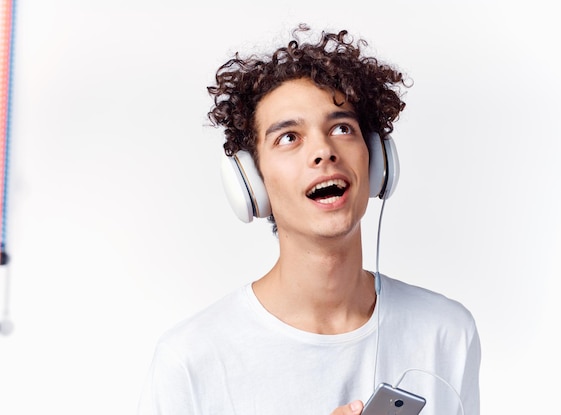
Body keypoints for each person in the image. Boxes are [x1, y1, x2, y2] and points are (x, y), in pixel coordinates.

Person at [138, 24, 480, 415]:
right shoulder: (190, 360)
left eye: (341, 128)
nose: (323, 151)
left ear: (376, 163)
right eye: (288, 137)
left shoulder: (446, 333)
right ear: (252, 182)